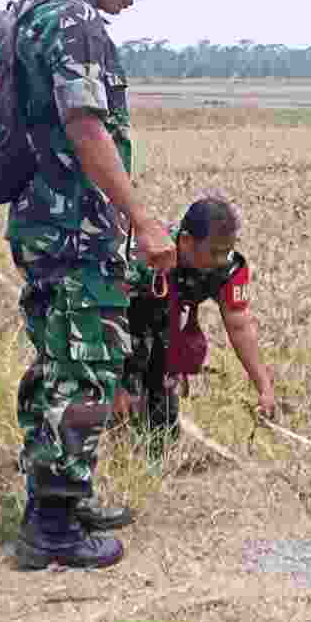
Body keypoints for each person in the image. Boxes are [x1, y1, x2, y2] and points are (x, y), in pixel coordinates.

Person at [8, 0, 178, 571]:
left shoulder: (35, 9)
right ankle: (52, 529)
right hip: (74, 229)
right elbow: (85, 127)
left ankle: (60, 502)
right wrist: (143, 219)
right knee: (86, 368)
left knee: (58, 363)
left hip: (45, 223)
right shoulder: (75, 21)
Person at [119, 191, 275, 448]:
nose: (221, 261)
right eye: (214, 252)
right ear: (186, 241)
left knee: (163, 417)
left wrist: (264, 387)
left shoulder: (229, 267)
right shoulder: (146, 256)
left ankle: (160, 455)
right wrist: (116, 383)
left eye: (226, 252)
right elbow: (107, 316)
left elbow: (239, 325)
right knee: (123, 413)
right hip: (124, 323)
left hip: (167, 328)